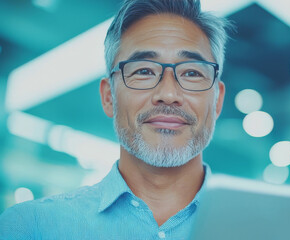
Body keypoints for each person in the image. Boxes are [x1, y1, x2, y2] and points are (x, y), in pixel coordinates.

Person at [0, 0, 230, 238]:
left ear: (218, 101)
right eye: (143, 71)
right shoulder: (30, 227)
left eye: (192, 73)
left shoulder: (268, 229)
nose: (168, 95)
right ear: (109, 96)